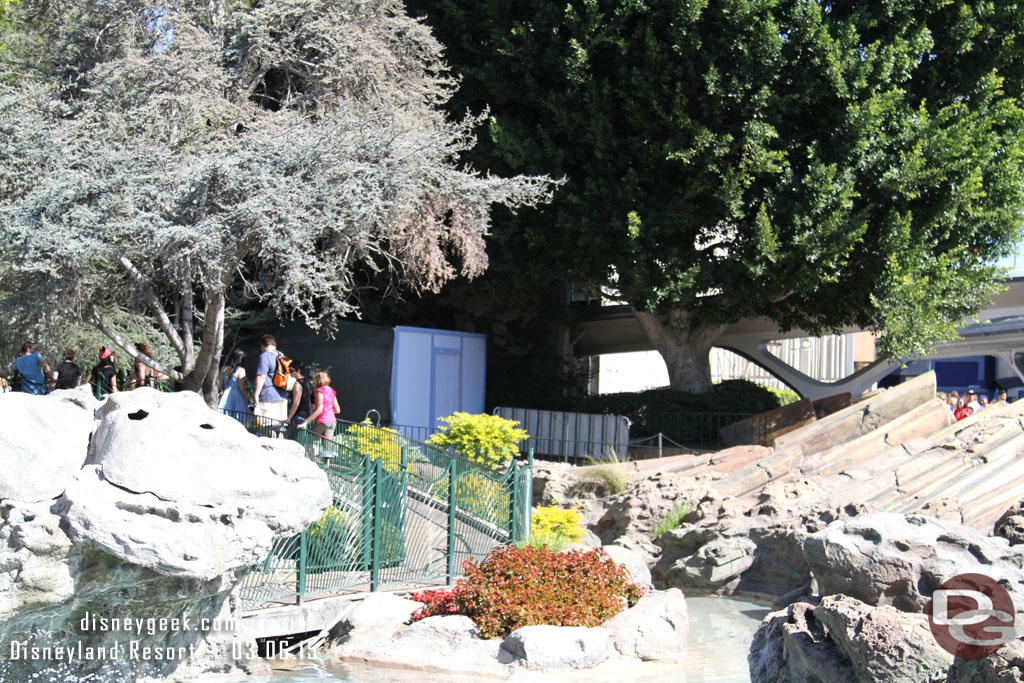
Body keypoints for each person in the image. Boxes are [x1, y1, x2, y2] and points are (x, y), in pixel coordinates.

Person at [253, 334, 289, 435]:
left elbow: (261, 376)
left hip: (269, 395)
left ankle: (272, 449)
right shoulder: (282, 355)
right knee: (280, 427)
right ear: (274, 345)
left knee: (271, 426)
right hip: (282, 396)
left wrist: (256, 395)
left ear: (262, 346)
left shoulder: (264, 356)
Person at [297, 370, 340, 440]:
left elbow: (320, 409)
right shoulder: (331, 390)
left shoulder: (320, 391)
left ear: (318, 379)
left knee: (309, 440)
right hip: (332, 421)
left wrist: (305, 422)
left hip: (323, 420)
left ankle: (310, 451)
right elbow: (337, 410)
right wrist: (328, 412)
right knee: (328, 446)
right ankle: (327, 452)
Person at [218, 348, 251, 419]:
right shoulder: (241, 370)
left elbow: (220, 386)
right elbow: (242, 388)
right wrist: (248, 397)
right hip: (237, 397)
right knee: (238, 418)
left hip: (225, 396)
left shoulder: (223, 369)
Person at [286, 361, 314, 427]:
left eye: (291, 371)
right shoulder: (307, 382)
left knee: (296, 436)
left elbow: (296, 403)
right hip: (308, 415)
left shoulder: (297, 384)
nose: (290, 373)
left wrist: (289, 418)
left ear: (298, 370)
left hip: (299, 415)